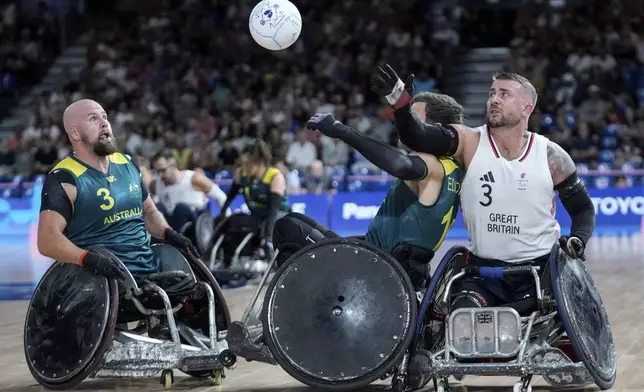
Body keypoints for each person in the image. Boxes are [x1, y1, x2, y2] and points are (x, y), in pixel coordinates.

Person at [371, 66, 595, 310]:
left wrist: (578, 238)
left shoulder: (551, 156)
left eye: (504, 94)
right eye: (491, 93)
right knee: (458, 328)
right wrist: (400, 104)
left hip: (539, 272)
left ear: (526, 108)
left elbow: (583, 208)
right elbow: (418, 136)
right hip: (482, 273)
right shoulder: (468, 141)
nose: (494, 100)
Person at [273, 91, 466, 290]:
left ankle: (299, 309)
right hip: (395, 267)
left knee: (286, 228)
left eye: (412, 118)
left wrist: (342, 130)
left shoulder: (431, 162)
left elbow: (399, 164)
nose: (401, 123)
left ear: (433, 129)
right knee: (298, 221)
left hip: (377, 271)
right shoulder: (453, 169)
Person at [37, 99, 198, 281]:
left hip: (150, 270)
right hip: (101, 279)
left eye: (104, 117)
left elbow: (149, 212)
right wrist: (87, 259)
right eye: (93, 119)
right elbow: (47, 241)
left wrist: (169, 233)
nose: (104, 122)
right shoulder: (64, 177)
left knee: (202, 292)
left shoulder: (127, 163)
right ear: (75, 133)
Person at [218, 139, 290, 258]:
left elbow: (273, 210)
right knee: (234, 222)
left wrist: (267, 238)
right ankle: (230, 258)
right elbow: (229, 197)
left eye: (248, 164)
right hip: (257, 217)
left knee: (268, 226)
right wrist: (223, 213)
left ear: (259, 161)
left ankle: (270, 258)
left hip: (279, 217)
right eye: (243, 163)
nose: (245, 167)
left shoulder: (275, 176)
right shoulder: (242, 173)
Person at [139, 152, 228, 233]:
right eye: (157, 172)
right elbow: (147, 185)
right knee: (157, 209)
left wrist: (226, 222)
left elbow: (221, 197)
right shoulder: (157, 184)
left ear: (174, 166)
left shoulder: (194, 179)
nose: (160, 175)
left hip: (195, 223)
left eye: (163, 170)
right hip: (171, 224)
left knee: (180, 209)